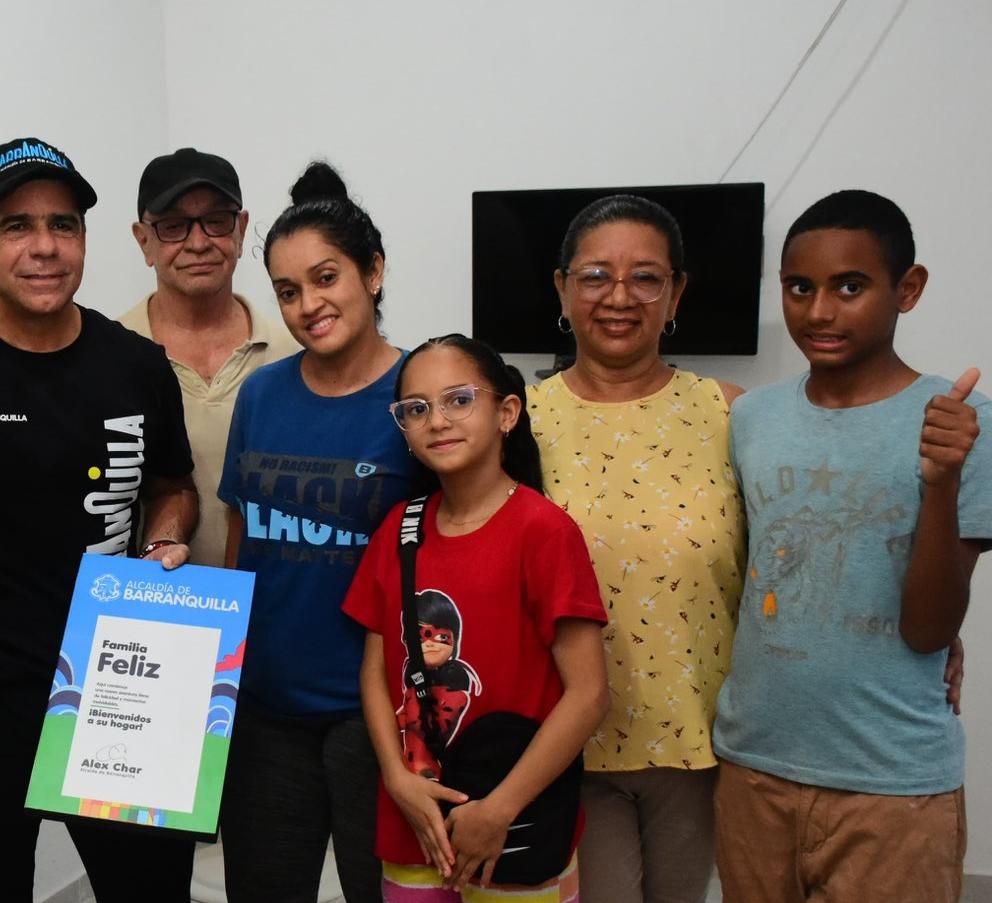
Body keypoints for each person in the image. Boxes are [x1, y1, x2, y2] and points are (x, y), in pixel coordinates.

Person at [0, 137, 199, 901]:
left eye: (63, 225)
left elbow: (172, 484)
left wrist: (165, 535)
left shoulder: (136, 365)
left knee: (149, 890)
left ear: (85, 241)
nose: (45, 247)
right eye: (18, 226)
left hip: (115, 685)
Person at [713, 190, 992, 903]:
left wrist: (941, 482)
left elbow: (931, 628)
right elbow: (747, 578)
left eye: (851, 286)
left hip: (890, 782)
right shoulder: (751, 418)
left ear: (908, 288)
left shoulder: (960, 420)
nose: (819, 311)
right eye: (799, 288)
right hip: (755, 768)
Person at [524, 194, 745, 903]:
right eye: (594, 275)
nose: (619, 297)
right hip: (561, 744)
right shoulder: (514, 422)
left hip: (698, 738)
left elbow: (790, 558)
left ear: (676, 291)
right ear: (561, 286)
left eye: (646, 277)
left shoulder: (734, 414)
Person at [216, 162, 421, 903]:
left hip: (379, 715)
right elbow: (243, 538)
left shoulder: (417, 396)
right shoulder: (263, 392)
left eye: (326, 278)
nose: (309, 304)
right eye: (287, 290)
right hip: (267, 709)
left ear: (373, 271)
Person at [344, 335, 608, 903]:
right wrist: (396, 777)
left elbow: (588, 695)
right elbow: (375, 669)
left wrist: (500, 809)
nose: (437, 420)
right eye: (416, 409)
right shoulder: (398, 529)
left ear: (506, 413)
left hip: (515, 829)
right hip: (414, 821)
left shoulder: (544, 532)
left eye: (458, 400)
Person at [118, 147, 300, 573]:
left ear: (241, 229)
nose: (198, 243)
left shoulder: (296, 356)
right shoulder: (107, 359)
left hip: (274, 617)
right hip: (150, 621)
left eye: (216, 221)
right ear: (143, 240)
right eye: (174, 227)